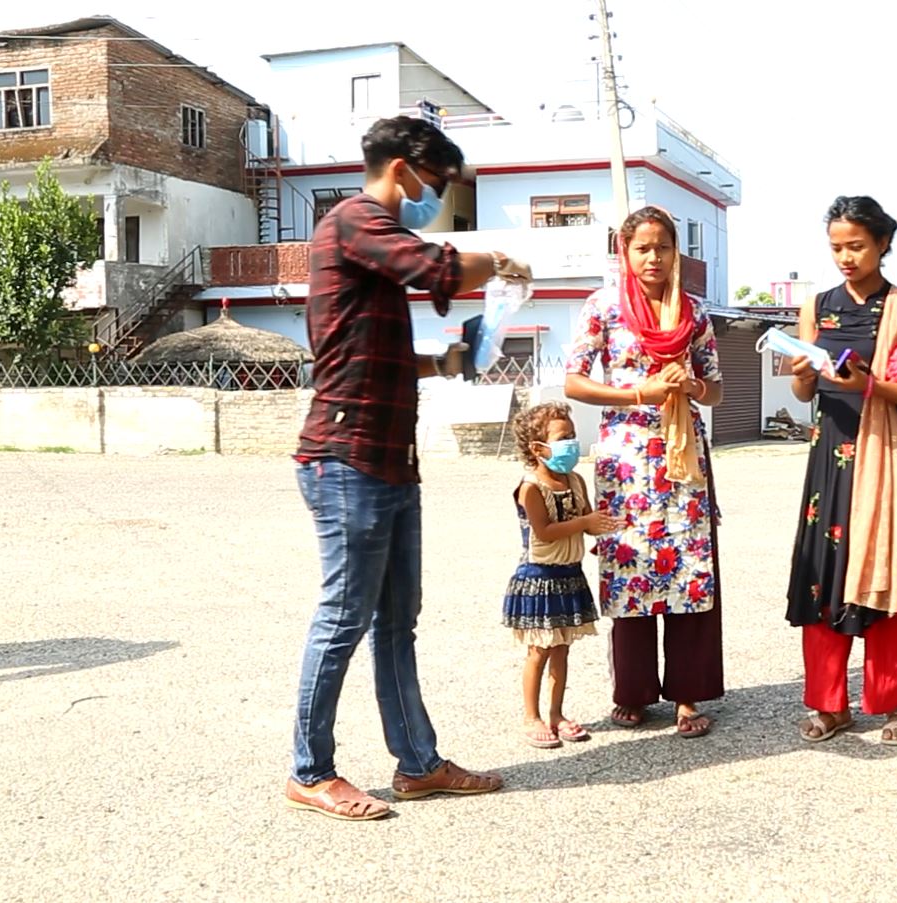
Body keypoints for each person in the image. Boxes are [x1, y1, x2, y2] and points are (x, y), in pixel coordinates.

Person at [286, 116, 531, 822]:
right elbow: (436, 269)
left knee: (397, 620)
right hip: (346, 456)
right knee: (342, 617)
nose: (439, 198)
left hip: (390, 457)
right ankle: (310, 770)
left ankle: (418, 764)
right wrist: (503, 262)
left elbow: (368, 349)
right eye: (437, 183)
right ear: (402, 169)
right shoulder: (353, 221)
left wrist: (447, 361)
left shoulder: (371, 244)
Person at [564, 206, 725, 738]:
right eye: (642, 248)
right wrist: (639, 392)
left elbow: (716, 390)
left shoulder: (695, 313)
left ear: (675, 252)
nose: (653, 257)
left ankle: (687, 695)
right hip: (626, 459)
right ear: (624, 252)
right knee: (630, 568)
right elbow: (575, 384)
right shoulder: (603, 308)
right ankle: (632, 693)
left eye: (663, 247)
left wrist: (689, 387)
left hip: (682, 458)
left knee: (688, 569)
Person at [785, 196, 897, 747]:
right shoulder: (818, 306)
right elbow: (805, 390)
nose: (845, 257)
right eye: (836, 247)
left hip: (887, 454)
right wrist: (802, 372)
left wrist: (868, 384)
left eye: (856, 246)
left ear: (882, 244)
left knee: (888, 573)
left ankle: (895, 702)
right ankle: (830, 704)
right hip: (831, 454)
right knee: (823, 569)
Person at [502, 401, 620, 748]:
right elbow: (545, 531)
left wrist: (603, 526)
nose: (571, 443)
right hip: (540, 579)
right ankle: (531, 716)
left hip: (570, 576)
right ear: (538, 448)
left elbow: (587, 518)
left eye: (572, 435)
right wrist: (585, 523)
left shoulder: (576, 480)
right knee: (539, 650)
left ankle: (556, 713)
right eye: (563, 437)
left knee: (562, 649)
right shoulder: (530, 488)